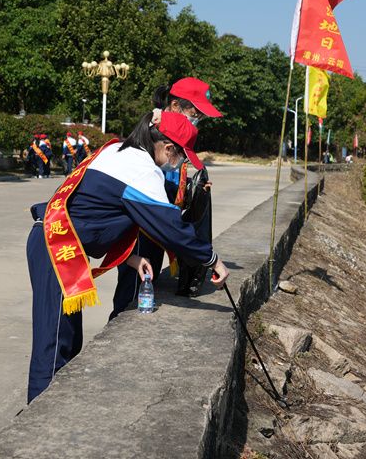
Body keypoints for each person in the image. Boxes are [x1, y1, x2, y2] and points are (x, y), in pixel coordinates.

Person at [26, 111, 230, 403]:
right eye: (181, 156)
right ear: (168, 148)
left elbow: (98, 210)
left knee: (68, 340)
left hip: (59, 244)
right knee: (54, 342)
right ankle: (36, 416)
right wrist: (213, 260)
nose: (180, 164)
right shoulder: (142, 171)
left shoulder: (118, 150)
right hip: (56, 247)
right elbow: (171, 228)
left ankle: (55, 404)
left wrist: (130, 259)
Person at [110, 77, 223, 319]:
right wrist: (211, 259)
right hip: (141, 224)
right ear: (175, 106)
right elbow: (146, 186)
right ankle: (120, 321)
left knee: (149, 285)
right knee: (132, 291)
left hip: (159, 223)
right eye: (196, 112)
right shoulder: (155, 132)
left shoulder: (177, 132)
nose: (198, 119)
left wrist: (194, 191)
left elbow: (169, 185)